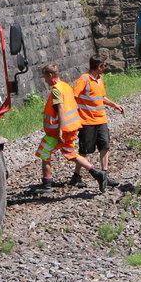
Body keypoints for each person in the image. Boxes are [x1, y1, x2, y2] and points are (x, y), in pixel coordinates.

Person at [35, 63, 109, 191]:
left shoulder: (56, 90)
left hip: (58, 131)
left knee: (44, 152)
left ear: (50, 75)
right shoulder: (66, 86)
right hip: (71, 128)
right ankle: (97, 173)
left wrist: (60, 131)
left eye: (45, 77)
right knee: (71, 153)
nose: (45, 81)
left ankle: (47, 184)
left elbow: (60, 109)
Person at [68, 55, 124, 187]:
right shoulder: (84, 79)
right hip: (87, 121)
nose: (105, 67)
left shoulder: (100, 80)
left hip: (101, 119)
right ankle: (76, 176)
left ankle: (104, 175)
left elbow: (101, 97)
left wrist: (114, 105)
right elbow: (73, 96)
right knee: (84, 150)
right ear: (99, 66)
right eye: (104, 65)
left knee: (105, 146)